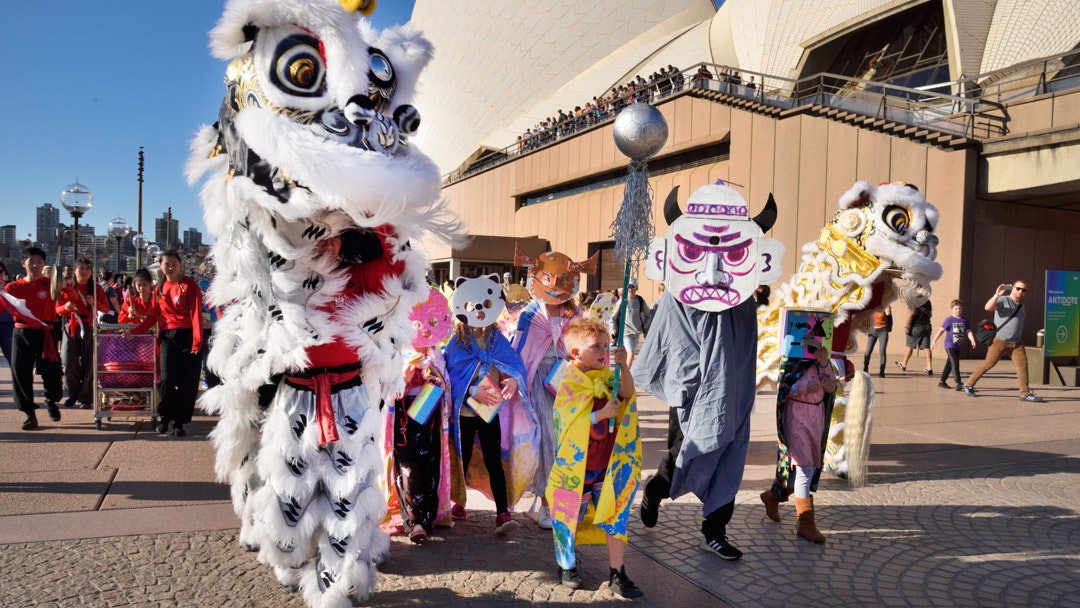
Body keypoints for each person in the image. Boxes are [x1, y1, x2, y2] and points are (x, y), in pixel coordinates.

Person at [548, 318, 642, 598]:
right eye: (595, 347)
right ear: (576, 353)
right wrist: (600, 415)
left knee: (616, 515)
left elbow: (626, 394)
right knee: (569, 517)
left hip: (607, 468)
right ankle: (566, 564)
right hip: (576, 469)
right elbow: (564, 419)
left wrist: (623, 365)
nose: (604, 351)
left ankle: (617, 572)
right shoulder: (570, 380)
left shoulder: (607, 375)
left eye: (605, 345)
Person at [511, 249, 596, 529]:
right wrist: (512, 378)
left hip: (568, 382)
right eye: (549, 281)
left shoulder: (575, 312)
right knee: (549, 442)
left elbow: (585, 345)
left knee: (568, 442)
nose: (555, 289)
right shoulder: (530, 314)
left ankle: (568, 500)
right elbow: (518, 349)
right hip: (539, 383)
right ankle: (547, 505)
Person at [444, 306, 532, 535]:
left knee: (494, 461)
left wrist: (513, 380)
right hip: (465, 413)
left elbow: (514, 364)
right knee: (461, 459)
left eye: (485, 306)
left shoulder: (497, 339)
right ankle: (458, 502)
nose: (480, 311)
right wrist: (471, 389)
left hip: (489, 413)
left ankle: (502, 512)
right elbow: (450, 374)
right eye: (474, 307)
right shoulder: (457, 342)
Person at [760, 344, 838, 543]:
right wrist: (802, 387)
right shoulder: (791, 357)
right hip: (796, 418)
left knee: (806, 468)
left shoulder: (821, 360)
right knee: (803, 468)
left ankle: (773, 496)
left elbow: (830, 387)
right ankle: (806, 523)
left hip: (816, 418)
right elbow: (784, 388)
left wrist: (823, 364)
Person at [126, 250, 204, 436]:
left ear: (180, 264)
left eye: (174, 263)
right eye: (166, 264)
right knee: (165, 380)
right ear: (161, 266)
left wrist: (197, 341)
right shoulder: (159, 289)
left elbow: (196, 315)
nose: (170, 267)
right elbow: (152, 316)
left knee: (187, 383)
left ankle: (179, 422)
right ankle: (166, 416)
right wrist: (135, 331)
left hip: (188, 336)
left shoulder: (189, 285)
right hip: (168, 336)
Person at [2, 247, 63, 429]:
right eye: (31, 262)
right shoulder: (12, 288)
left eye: (39, 262)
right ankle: (29, 414)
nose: (35, 265)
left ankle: (51, 400)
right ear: (23, 263)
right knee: (21, 374)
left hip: (46, 333)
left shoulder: (51, 285)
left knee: (52, 373)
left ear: (44, 264)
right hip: (22, 334)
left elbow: (63, 305)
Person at [963, 281, 1044, 402]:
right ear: (1013, 288)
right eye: (1018, 288)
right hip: (1000, 340)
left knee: (1022, 364)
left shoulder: (1021, 306)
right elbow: (988, 307)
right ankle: (968, 384)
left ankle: (1025, 393)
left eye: (1023, 290)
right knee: (988, 364)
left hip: (1016, 342)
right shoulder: (1004, 300)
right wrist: (996, 295)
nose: (1020, 291)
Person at [57, 257, 110, 409]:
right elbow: (57, 309)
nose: (84, 271)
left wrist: (94, 303)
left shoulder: (96, 288)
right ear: (74, 270)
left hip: (90, 326)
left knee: (89, 363)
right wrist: (66, 307)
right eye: (81, 268)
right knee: (68, 362)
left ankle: (86, 397)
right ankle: (73, 393)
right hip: (72, 325)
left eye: (87, 268)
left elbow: (106, 309)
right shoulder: (66, 287)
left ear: (91, 271)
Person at [932, 299, 976, 390]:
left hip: (958, 345)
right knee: (955, 363)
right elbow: (941, 331)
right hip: (949, 345)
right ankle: (958, 383)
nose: (958, 310)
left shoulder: (964, 320)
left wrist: (972, 340)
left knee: (949, 364)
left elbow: (968, 331)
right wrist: (934, 340)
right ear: (952, 309)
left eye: (960, 308)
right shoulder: (949, 320)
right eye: (956, 308)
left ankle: (942, 381)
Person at [610, 279, 648, 367]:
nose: (630, 289)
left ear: (636, 288)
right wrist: (613, 330)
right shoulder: (622, 301)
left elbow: (648, 315)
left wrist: (644, 327)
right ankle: (626, 375)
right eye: (629, 287)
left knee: (628, 356)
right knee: (631, 355)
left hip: (636, 334)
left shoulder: (640, 300)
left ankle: (624, 374)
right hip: (626, 333)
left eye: (632, 287)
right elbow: (613, 318)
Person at [896, 299, 932, 374]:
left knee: (909, 346)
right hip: (926, 326)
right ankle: (929, 368)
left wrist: (906, 326)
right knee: (926, 347)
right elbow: (930, 314)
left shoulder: (913, 301)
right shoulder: (927, 301)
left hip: (916, 327)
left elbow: (911, 314)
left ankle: (904, 365)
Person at [863, 305, 892, 377]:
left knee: (882, 351)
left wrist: (887, 308)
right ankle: (865, 367)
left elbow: (888, 314)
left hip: (883, 331)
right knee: (868, 351)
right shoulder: (873, 305)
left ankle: (882, 371)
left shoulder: (885, 305)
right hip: (872, 330)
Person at [0, 261, 14, 364]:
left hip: (7, 325)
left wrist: (3, 290)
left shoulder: (11, 287)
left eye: (0, 271)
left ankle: (18, 379)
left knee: (13, 356)